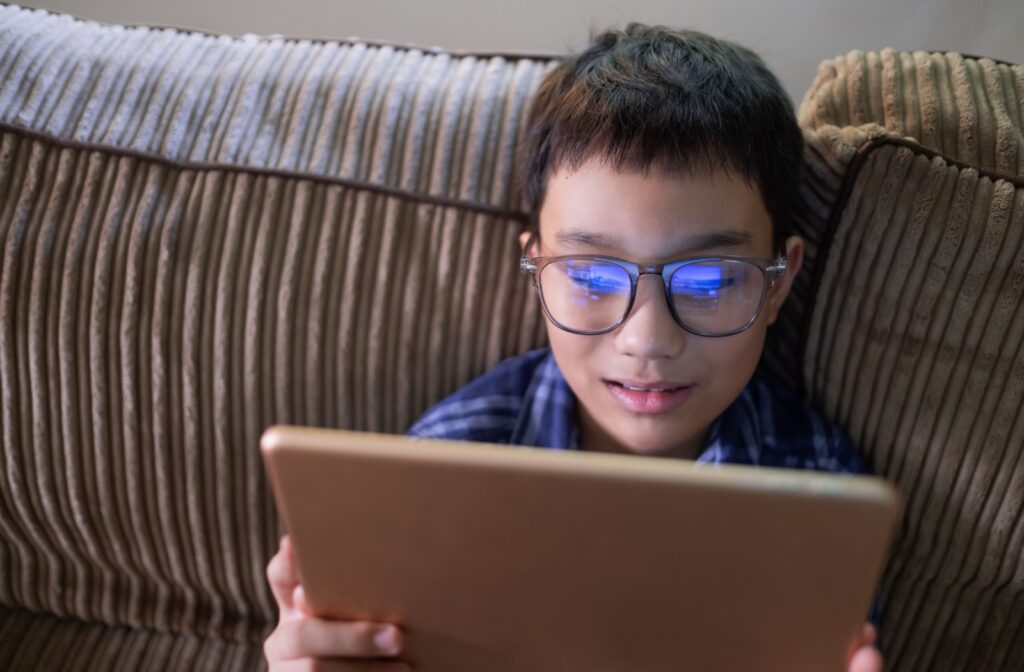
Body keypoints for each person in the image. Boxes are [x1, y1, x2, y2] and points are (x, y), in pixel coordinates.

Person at [264, 24, 885, 671]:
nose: (647, 340)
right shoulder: (443, 467)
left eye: (707, 281)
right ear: (538, 274)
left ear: (779, 283)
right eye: (590, 277)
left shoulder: (824, 496)